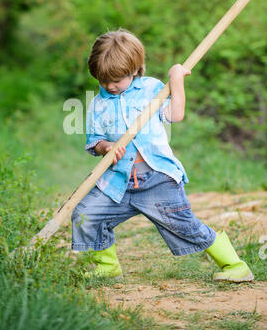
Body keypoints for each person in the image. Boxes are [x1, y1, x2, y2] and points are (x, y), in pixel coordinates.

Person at [71, 28, 254, 283]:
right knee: (85, 214)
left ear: (134, 70)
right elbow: (94, 142)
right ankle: (107, 266)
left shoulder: (151, 90)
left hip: (156, 179)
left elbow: (175, 114)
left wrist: (176, 79)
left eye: (117, 80)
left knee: (184, 225)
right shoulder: (98, 104)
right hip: (118, 182)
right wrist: (106, 148)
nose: (110, 86)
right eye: (103, 81)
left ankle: (235, 265)